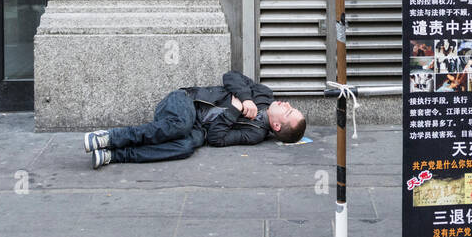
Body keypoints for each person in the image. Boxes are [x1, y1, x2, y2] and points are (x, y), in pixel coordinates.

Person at [83, 70, 306, 168]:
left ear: (276, 126)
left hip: (198, 129)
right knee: (180, 125)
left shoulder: (255, 133)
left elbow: (217, 139)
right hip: (186, 101)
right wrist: (246, 99)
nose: (287, 104)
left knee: (186, 146)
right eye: (291, 107)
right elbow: (231, 76)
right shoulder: (263, 94)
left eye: (288, 111)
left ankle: (113, 155)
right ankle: (110, 137)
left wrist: (233, 111)